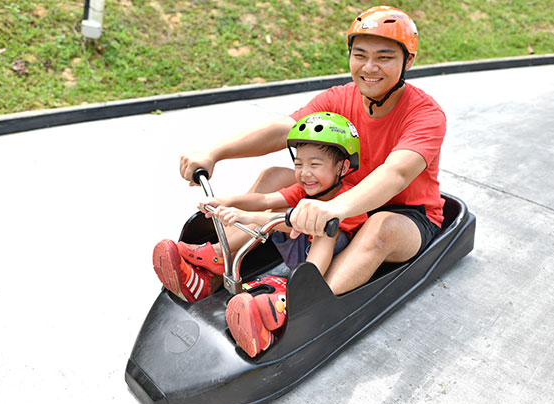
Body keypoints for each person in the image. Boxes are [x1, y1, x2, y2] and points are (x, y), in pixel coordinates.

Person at [177, 5, 446, 299]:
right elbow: (285, 130)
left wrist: (335, 208)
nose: (370, 68)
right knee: (274, 177)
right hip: (343, 195)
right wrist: (215, 152)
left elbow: (396, 173)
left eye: (384, 57)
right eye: (360, 56)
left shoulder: (425, 114)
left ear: (409, 60)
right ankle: (216, 264)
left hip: (405, 215)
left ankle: (295, 307)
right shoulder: (339, 97)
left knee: (381, 226)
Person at [152, 113, 367, 313]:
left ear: (343, 167)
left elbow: (304, 223)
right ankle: (216, 259)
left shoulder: (347, 198)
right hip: (299, 251)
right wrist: (225, 202)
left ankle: (298, 294)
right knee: (280, 208)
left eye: (315, 165)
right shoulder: (303, 190)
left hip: (325, 262)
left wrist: (250, 217)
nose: (305, 173)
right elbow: (265, 200)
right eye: (299, 164)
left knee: (324, 229)